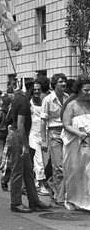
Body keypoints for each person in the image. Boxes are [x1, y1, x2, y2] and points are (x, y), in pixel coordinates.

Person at [7, 79, 52, 213]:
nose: (39, 93)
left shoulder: (21, 99)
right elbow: (20, 125)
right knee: (17, 171)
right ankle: (16, 203)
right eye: (36, 89)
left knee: (28, 171)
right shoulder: (23, 102)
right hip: (18, 137)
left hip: (21, 136)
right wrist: (25, 146)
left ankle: (34, 200)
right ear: (31, 89)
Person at [61, 76, 90, 211]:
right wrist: (79, 134)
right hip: (76, 143)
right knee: (76, 171)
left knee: (88, 172)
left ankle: (87, 200)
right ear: (79, 89)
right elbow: (66, 124)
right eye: (86, 90)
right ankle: (72, 199)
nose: (88, 93)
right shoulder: (71, 105)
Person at [40, 73, 69, 206]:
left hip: (67, 133)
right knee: (58, 166)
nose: (63, 84)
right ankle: (59, 196)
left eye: (64, 82)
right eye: (60, 82)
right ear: (54, 84)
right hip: (54, 133)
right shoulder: (48, 100)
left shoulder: (67, 97)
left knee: (67, 164)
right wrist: (44, 140)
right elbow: (43, 121)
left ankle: (51, 183)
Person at [30, 77, 50, 196]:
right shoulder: (29, 101)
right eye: (35, 89)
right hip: (33, 133)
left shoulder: (46, 100)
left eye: (39, 89)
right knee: (39, 160)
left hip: (46, 131)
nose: (37, 92)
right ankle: (42, 184)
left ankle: (40, 180)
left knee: (46, 160)